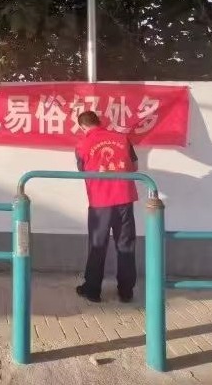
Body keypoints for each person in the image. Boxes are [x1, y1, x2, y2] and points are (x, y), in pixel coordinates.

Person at [74, 111, 139, 303]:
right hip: (124, 199)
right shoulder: (122, 138)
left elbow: (82, 169)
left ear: (82, 127)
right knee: (126, 244)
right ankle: (126, 291)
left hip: (99, 202)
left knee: (97, 245)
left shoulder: (82, 144)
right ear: (99, 121)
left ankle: (92, 290)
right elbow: (134, 166)